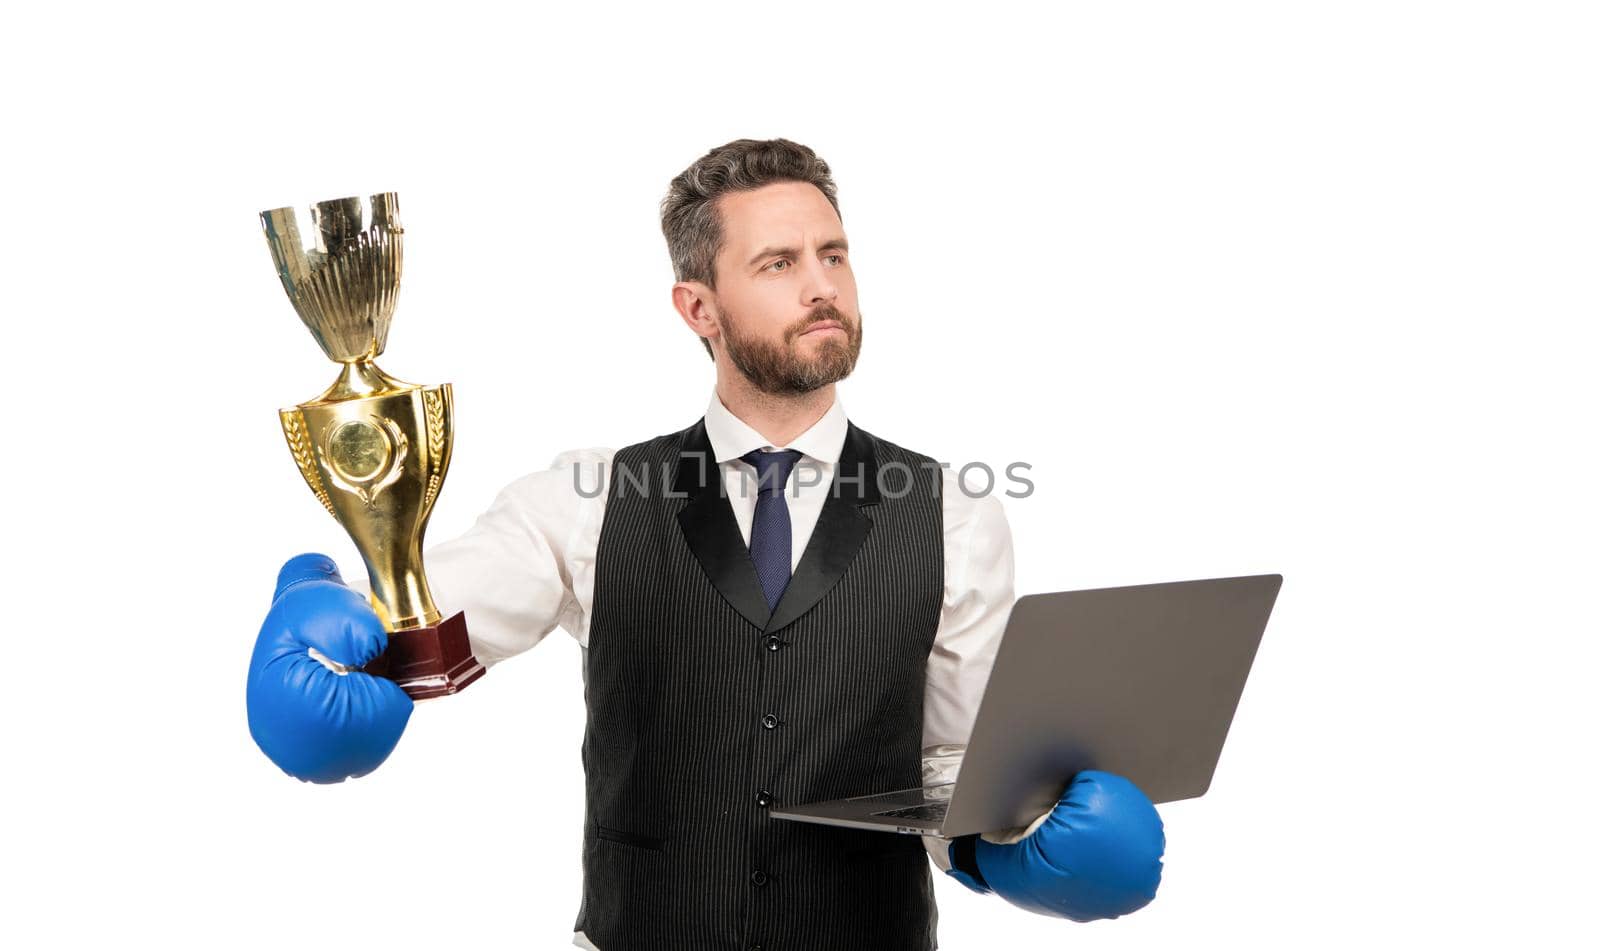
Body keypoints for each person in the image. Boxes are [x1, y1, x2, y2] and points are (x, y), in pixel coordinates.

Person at [246, 138, 1165, 950]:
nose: (822, 286)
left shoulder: (954, 513)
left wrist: (1014, 847)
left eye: (833, 255)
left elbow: (953, 770)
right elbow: (424, 624)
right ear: (699, 307)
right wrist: (335, 609)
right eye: (777, 263)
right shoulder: (590, 498)